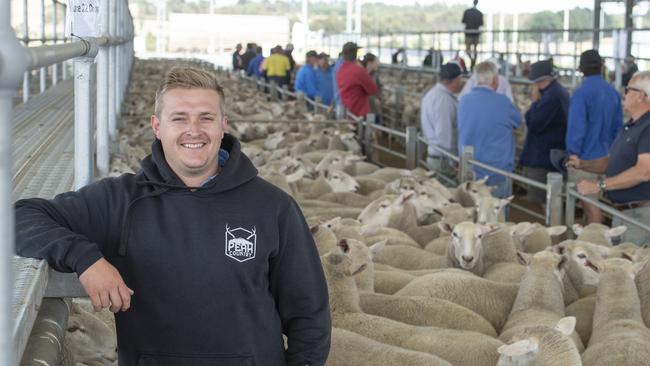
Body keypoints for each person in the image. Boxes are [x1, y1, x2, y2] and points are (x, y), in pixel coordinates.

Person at [14, 67, 332, 365]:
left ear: (224, 124)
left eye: (206, 118)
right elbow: (19, 217)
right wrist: (84, 258)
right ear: (157, 126)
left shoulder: (273, 207)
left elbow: (309, 313)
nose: (193, 130)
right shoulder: (119, 200)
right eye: (179, 118)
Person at [572, 71, 650, 246]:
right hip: (624, 213)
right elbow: (611, 162)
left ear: (641, 96)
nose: (624, 94)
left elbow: (644, 172)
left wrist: (599, 185)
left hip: (641, 215)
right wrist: (583, 164)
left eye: (628, 89)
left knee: (627, 268)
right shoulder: (631, 126)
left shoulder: (648, 127)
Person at [566, 49, 623, 224]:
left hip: (586, 160)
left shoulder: (581, 93)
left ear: (581, 69)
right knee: (595, 202)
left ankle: (597, 242)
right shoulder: (613, 92)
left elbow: (577, 127)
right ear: (601, 67)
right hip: (607, 157)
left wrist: (572, 153)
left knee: (591, 205)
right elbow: (618, 127)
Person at [458, 61, 521, 199]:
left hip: (470, 169)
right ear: (495, 79)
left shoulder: (463, 101)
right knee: (497, 216)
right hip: (496, 172)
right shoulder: (503, 102)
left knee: (471, 213)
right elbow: (518, 121)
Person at [519, 60, 569, 208]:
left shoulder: (550, 97)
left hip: (544, 156)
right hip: (552, 153)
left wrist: (534, 103)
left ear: (539, 80)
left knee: (545, 200)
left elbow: (535, 124)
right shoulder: (559, 91)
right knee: (550, 200)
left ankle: (550, 229)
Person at [420, 63, 463, 176]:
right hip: (443, 160)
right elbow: (444, 134)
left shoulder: (431, 94)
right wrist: (452, 160)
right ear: (456, 79)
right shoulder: (444, 101)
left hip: (435, 156)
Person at [336, 42, 378, 118]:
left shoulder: (340, 71)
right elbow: (373, 90)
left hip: (347, 113)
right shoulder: (358, 70)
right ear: (355, 54)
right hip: (359, 115)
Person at [462, 0, 483, 71]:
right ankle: (473, 62)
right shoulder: (479, 13)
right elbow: (481, 24)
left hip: (468, 34)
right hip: (476, 34)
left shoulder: (467, 12)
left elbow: (463, 21)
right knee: (475, 50)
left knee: (468, 50)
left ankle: (472, 61)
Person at [361, 53, 383, 123]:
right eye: (376, 62)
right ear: (370, 63)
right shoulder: (360, 74)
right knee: (364, 128)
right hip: (363, 109)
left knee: (373, 128)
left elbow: (379, 88)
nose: (378, 64)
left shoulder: (375, 76)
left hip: (374, 110)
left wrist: (378, 98)